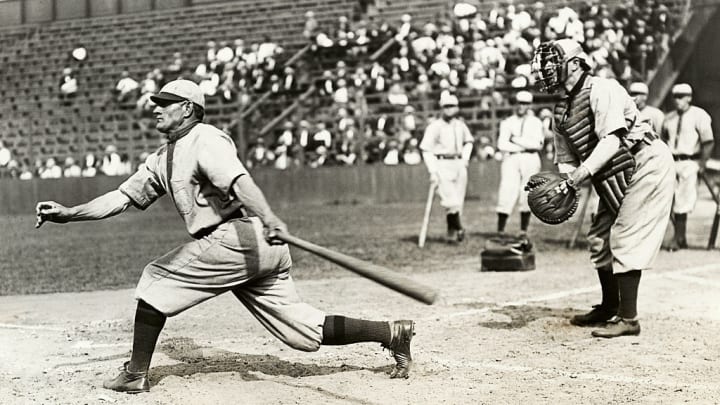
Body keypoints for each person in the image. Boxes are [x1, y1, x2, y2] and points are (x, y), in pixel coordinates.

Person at [35, 79, 415, 394]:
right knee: (302, 331)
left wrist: (268, 216)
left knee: (155, 280)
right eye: (156, 102)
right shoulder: (162, 157)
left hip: (237, 236)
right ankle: (392, 333)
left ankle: (134, 375)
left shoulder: (206, 140)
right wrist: (70, 214)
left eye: (165, 103)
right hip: (255, 248)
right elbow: (121, 198)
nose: (156, 107)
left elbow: (238, 180)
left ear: (188, 109)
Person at [532, 39, 675, 338]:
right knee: (599, 236)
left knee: (624, 234)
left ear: (574, 64)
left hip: (644, 158)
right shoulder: (561, 110)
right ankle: (609, 306)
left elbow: (611, 140)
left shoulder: (603, 89)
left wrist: (578, 177)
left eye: (552, 61)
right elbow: (567, 160)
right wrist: (561, 186)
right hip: (613, 169)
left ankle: (629, 318)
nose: (545, 68)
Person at [661, 83, 714, 250]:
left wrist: (702, 163)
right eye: (675, 97)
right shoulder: (669, 118)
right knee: (668, 199)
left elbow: (708, 141)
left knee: (683, 201)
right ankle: (680, 237)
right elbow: (663, 140)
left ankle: (678, 238)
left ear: (689, 98)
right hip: (672, 161)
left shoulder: (699, 115)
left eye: (681, 97)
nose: (677, 100)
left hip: (690, 161)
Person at [419, 93, 474, 242]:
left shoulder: (460, 125)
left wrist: (465, 158)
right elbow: (426, 149)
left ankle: (451, 233)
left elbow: (469, 141)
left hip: (458, 162)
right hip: (442, 163)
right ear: (441, 108)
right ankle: (460, 228)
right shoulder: (435, 126)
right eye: (446, 106)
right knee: (451, 200)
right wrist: (432, 171)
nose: (449, 109)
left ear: (457, 108)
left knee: (458, 202)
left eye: (452, 106)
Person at [495, 90, 544, 234]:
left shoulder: (536, 122)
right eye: (519, 103)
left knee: (528, 192)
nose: (521, 106)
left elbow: (537, 145)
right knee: (507, 191)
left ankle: (523, 230)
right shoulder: (508, 122)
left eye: (525, 103)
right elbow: (502, 144)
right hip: (512, 158)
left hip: (531, 158)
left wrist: (515, 139)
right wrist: (523, 144)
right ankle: (500, 230)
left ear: (530, 105)